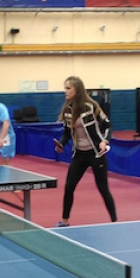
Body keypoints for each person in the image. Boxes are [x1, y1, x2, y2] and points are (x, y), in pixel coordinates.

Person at [54, 76, 117, 227]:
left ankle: (115, 221)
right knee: (69, 187)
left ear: (77, 89)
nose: (65, 91)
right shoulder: (68, 110)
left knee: (103, 188)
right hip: (79, 155)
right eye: (65, 88)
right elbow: (67, 133)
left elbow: (108, 125)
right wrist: (61, 144)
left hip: (96, 154)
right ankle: (64, 221)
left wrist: (104, 141)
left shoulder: (91, 107)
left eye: (68, 88)